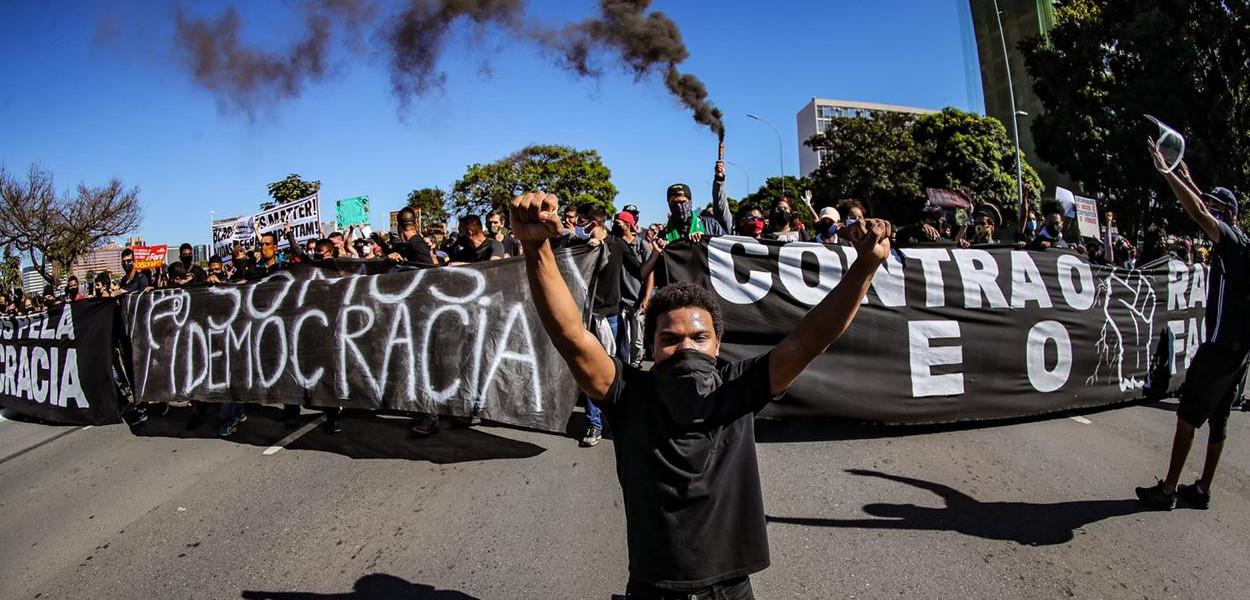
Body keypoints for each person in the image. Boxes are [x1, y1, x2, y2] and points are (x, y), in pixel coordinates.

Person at [510, 191, 890, 598]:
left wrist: (865, 266)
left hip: (730, 589)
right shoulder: (626, 393)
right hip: (654, 588)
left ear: (717, 344)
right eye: (670, 339)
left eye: (699, 336)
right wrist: (536, 249)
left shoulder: (739, 389)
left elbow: (810, 338)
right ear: (651, 347)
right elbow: (571, 336)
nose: (686, 347)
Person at [1135, 142, 1250, 510]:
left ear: (1228, 214)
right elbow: (1201, 199)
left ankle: (1168, 490)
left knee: (1187, 415)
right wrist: (1180, 170)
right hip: (1239, 352)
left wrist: (1166, 174)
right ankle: (1202, 489)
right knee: (1219, 419)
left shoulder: (1230, 239)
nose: (1210, 213)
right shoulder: (1242, 240)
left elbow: (1200, 211)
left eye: (1218, 210)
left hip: (1219, 350)